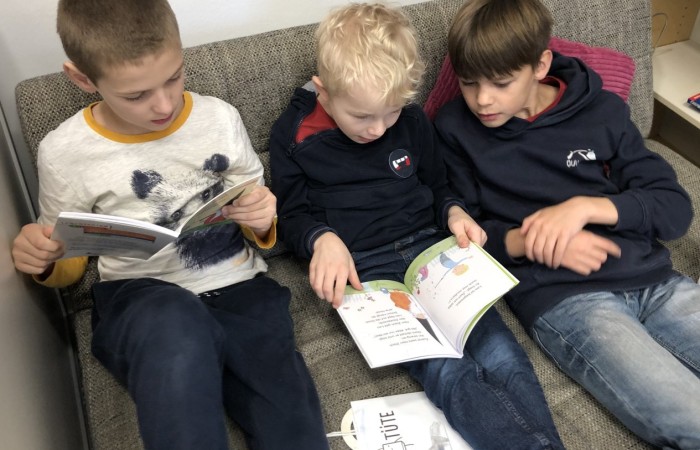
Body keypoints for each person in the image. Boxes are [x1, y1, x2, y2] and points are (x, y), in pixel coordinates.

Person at [11, 0, 329, 449]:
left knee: (292, 425)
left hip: (239, 289)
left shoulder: (219, 118)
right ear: (83, 79)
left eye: (175, 77)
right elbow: (68, 262)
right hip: (141, 300)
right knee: (176, 327)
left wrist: (262, 219)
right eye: (136, 95)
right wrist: (45, 258)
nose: (163, 105)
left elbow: (254, 206)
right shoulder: (65, 152)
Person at [269, 3, 564, 449]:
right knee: (447, 371)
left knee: (503, 355)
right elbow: (291, 216)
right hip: (364, 271)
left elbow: (438, 185)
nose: (377, 129)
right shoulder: (295, 134)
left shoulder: (409, 120)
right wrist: (321, 239)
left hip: (432, 251)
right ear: (324, 92)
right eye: (361, 117)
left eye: (390, 113)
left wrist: (455, 213)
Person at [435, 0, 700, 448]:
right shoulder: (454, 129)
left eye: (501, 83)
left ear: (540, 66)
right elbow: (462, 232)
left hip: (656, 282)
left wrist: (586, 208)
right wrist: (529, 241)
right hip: (569, 301)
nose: (482, 99)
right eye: (468, 82)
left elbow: (675, 210)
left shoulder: (602, 112)